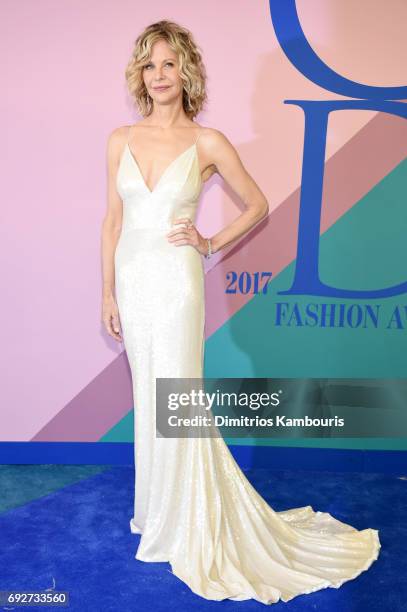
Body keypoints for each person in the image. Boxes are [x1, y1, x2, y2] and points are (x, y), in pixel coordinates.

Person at [101, 19, 380, 606]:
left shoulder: (207, 142)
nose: (158, 76)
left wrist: (207, 241)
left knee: (177, 395)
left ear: (186, 71)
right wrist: (106, 292)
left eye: (169, 64)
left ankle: (188, 522)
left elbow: (257, 204)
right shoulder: (119, 137)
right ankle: (157, 513)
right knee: (148, 395)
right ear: (140, 74)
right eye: (149, 65)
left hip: (176, 284)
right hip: (131, 280)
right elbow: (112, 221)